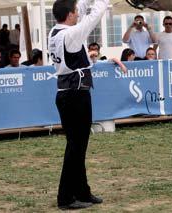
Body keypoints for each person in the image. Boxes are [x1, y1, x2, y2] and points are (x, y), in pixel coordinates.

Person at [48, 0, 113, 210]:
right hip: (76, 95)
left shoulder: (56, 32)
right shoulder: (71, 35)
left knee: (77, 146)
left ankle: (82, 191)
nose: (78, 13)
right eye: (75, 12)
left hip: (67, 95)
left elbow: (82, 8)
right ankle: (65, 198)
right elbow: (93, 16)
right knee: (76, 147)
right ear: (69, 15)